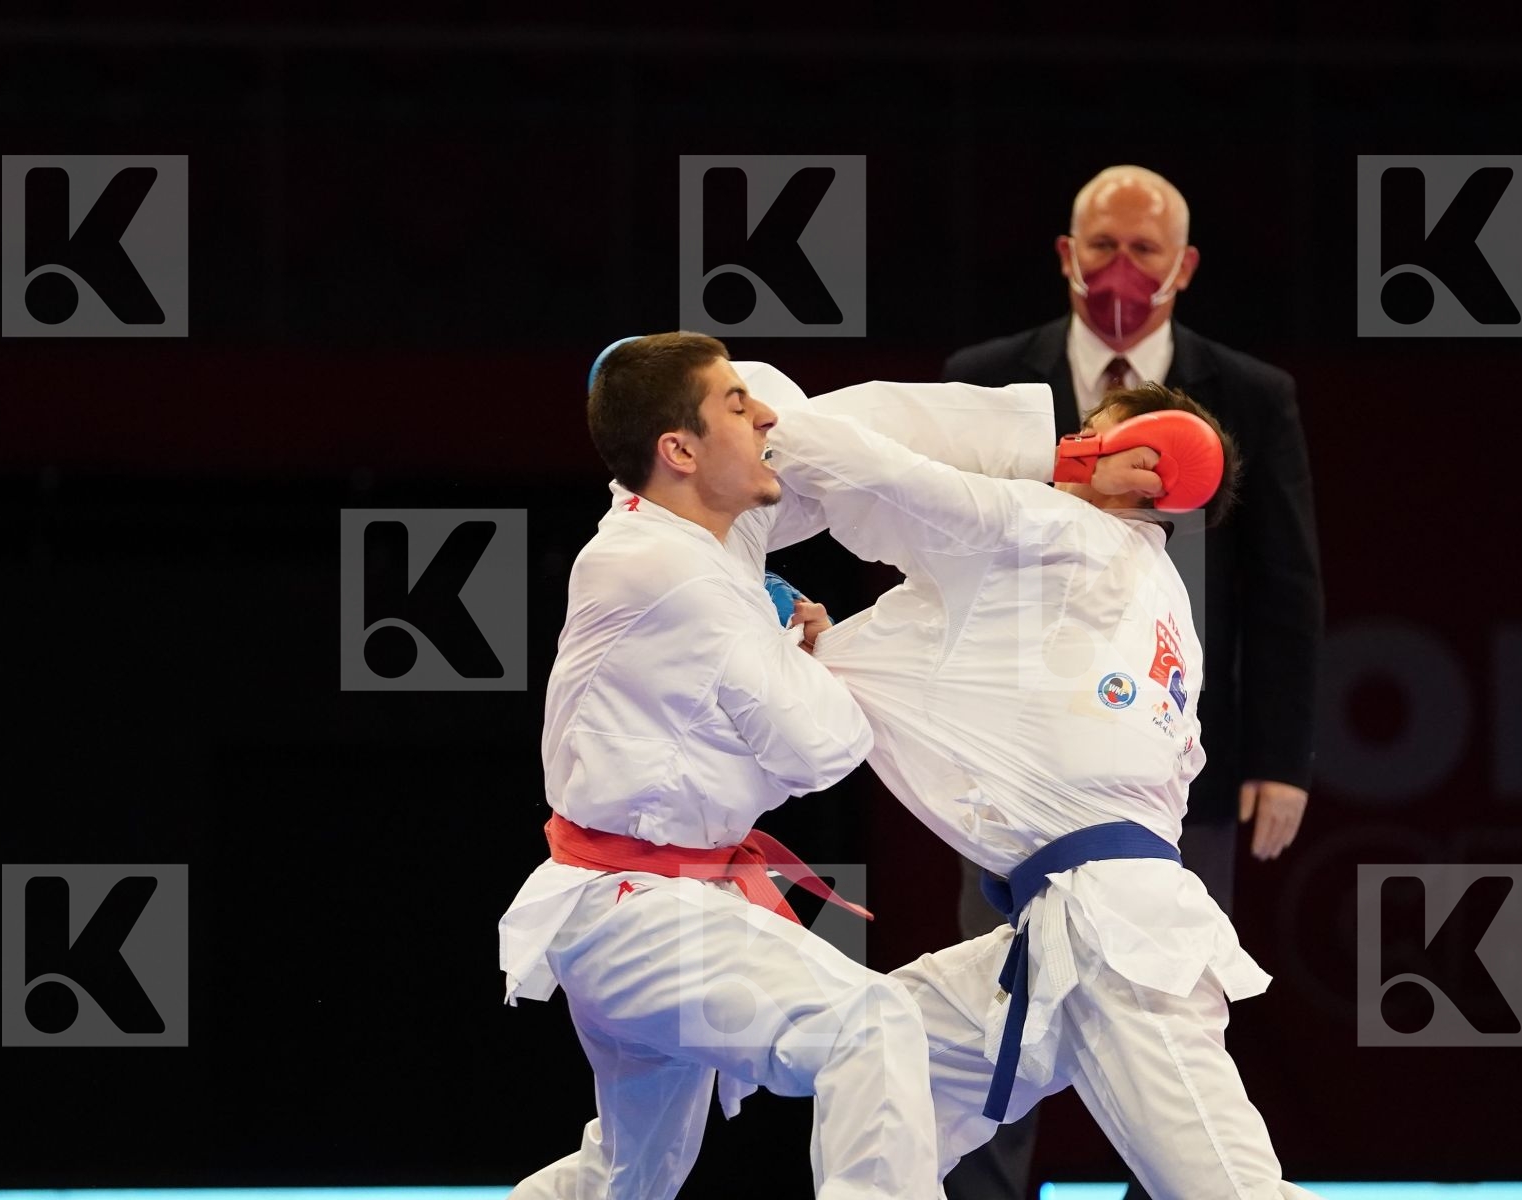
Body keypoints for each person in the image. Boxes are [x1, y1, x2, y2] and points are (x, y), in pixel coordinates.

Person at [762, 376, 1321, 1199]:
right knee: (876, 1051)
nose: (1071, 440)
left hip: (1117, 943)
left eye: (1096, 429)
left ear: (1148, 466)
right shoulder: (1161, 607)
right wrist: (821, 651)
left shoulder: (1063, 535)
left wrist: (749, 422)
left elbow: (883, 479)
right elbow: (988, 687)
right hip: (1064, 930)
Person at [942, 164, 1324, 1200]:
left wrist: (1281, 757)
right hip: (1010, 763)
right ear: (1065, 255)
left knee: (1162, 1021)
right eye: (1099, 247)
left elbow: (1285, 585)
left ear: (1184, 267)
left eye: (1143, 250)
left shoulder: (1248, 394)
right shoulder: (989, 382)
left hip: (1171, 761)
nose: (1119, 270)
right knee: (997, 1025)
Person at [498, 332, 940, 1199]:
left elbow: (806, 433)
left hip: (634, 898)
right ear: (679, 449)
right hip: (634, 907)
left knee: (632, 1174)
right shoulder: (672, 569)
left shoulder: (677, 536)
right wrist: (808, 650)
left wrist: (781, 640)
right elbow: (821, 748)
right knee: (870, 1023)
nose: (768, 414)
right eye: (737, 406)